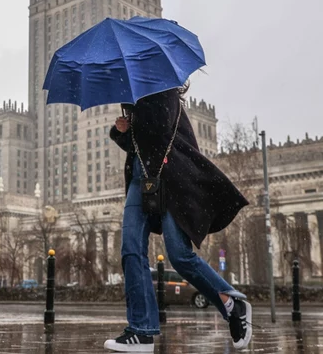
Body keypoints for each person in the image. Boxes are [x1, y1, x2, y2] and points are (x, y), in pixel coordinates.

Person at [104, 85, 252, 352]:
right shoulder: (135, 94)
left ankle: (232, 304)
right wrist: (121, 132)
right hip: (142, 179)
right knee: (130, 249)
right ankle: (141, 331)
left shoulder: (164, 90)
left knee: (180, 255)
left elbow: (158, 132)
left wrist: (135, 111)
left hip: (172, 180)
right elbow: (139, 145)